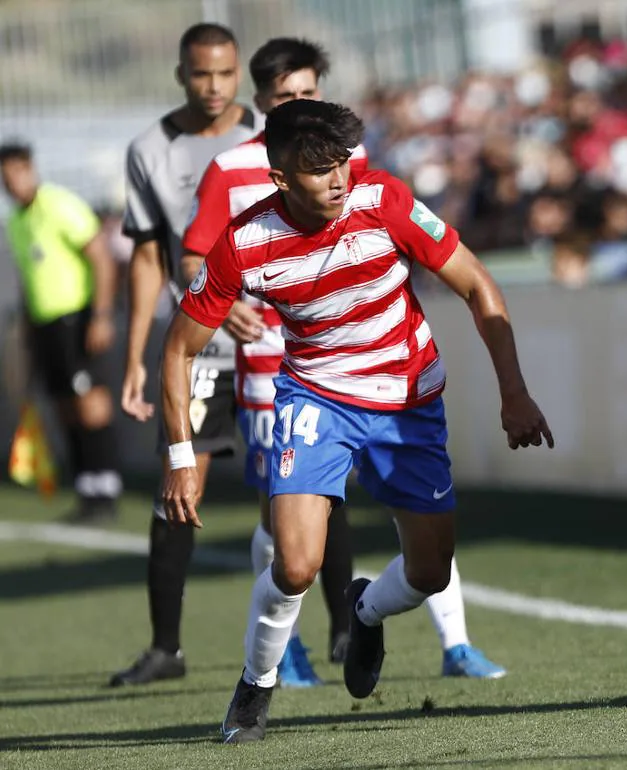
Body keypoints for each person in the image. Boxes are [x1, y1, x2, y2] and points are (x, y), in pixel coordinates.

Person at [161, 99, 553, 744]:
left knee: (429, 573)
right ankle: (254, 689)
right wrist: (180, 460)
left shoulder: (386, 200)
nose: (340, 179)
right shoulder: (245, 244)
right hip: (316, 400)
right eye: (320, 171)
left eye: (343, 163)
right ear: (281, 178)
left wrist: (514, 391)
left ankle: (364, 611)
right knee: (294, 565)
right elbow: (178, 349)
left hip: (408, 401)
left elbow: (478, 285)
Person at [183, 37, 506, 685]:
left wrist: (514, 391)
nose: (302, 106)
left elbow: (464, 274)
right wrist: (224, 312)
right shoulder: (231, 175)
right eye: (287, 98)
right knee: (286, 537)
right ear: (265, 106)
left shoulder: (359, 174)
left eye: (310, 93)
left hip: (397, 384)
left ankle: (439, 636)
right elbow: (197, 263)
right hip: (285, 367)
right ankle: (273, 663)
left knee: (424, 546)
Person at [111, 22, 260, 687]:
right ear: (181, 74)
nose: (213, 86)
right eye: (201, 74)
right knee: (180, 481)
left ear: (240, 75)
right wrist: (141, 350)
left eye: (225, 73)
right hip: (200, 349)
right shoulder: (150, 150)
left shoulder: (271, 132)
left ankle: (343, 635)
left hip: (281, 339)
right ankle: (166, 648)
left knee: (319, 480)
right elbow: (150, 257)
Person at [0, 142, 122, 523]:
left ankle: (107, 486)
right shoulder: (18, 221)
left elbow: (100, 255)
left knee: (90, 402)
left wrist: (100, 315)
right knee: (64, 404)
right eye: (6, 177)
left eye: (18, 172)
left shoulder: (58, 205)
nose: (13, 182)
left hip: (76, 318)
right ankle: (87, 486)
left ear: (31, 168)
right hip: (44, 325)